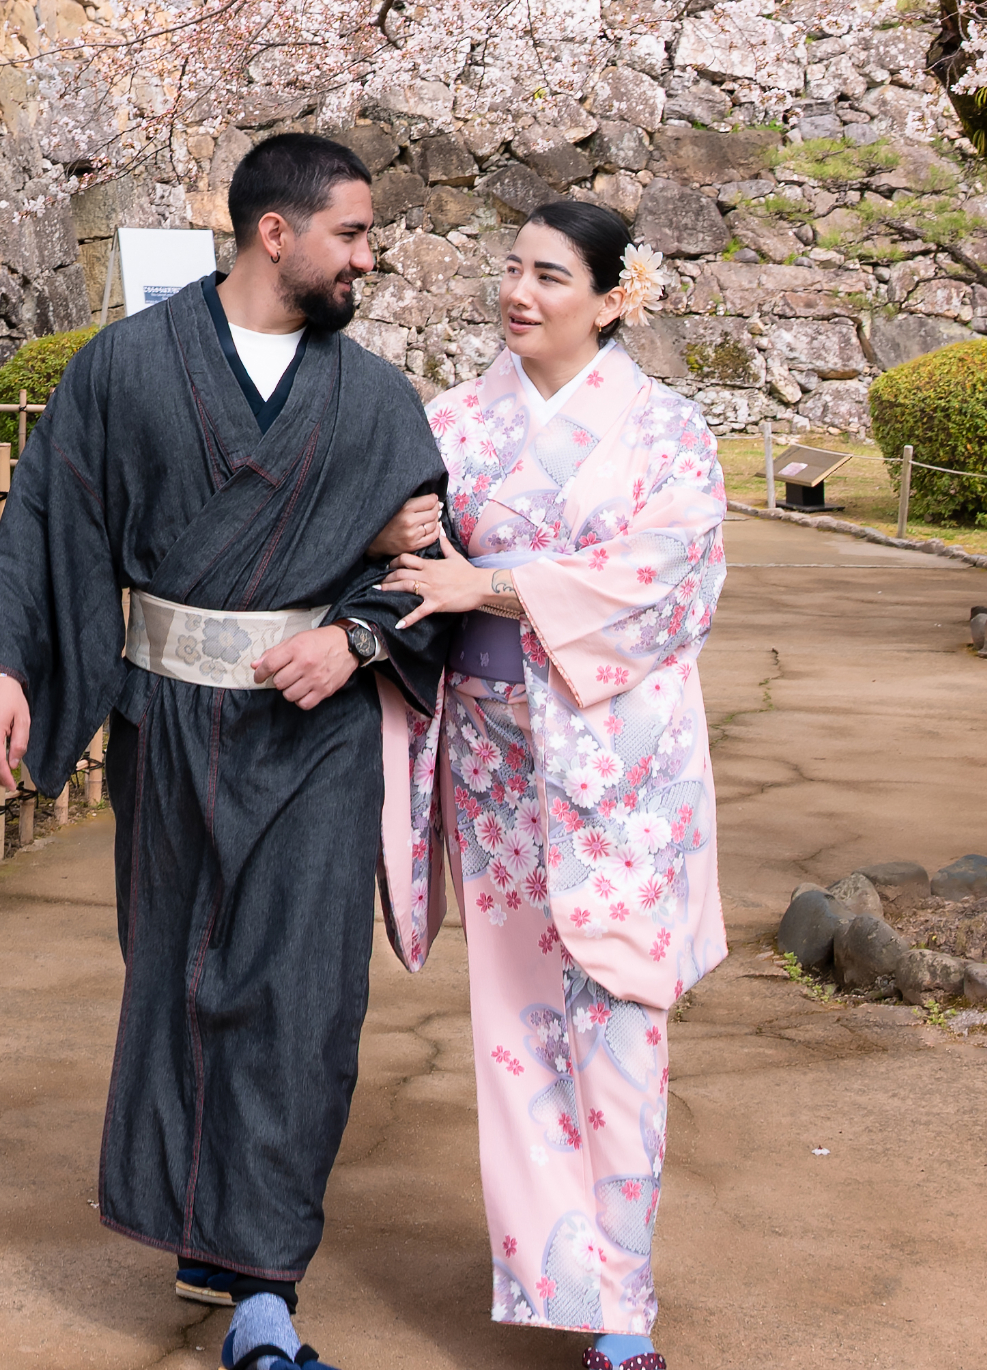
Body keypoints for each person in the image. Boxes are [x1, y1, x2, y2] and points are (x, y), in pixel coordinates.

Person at [0, 131, 453, 1370]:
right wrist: (5, 667)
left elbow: (428, 561)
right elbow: (50, 518)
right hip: (168, 722)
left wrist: (353, 636)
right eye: (351, 234)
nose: (367, 258)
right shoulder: (126, 370)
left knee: (299, 996)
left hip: (318, 731)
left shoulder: (377, 395)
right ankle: (206, 1222)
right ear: (272, 233)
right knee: (179, 975)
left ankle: (264, 1293)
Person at [368, 199, 728, 1370]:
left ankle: (624, 1310)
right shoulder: (454, 421)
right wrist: (398, 541)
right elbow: (414, 569)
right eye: (511, 269)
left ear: (617, 296)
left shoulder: (668, 430)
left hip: (620, 760)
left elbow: (674, 581)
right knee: (517, 1024)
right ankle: (556, 1280)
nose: (519, 292)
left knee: (623, 1016)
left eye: (551, 275)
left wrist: (501, 586)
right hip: (493, 750)